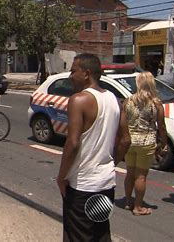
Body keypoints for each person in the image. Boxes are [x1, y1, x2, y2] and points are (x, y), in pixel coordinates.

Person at [57, 53, 130, 241]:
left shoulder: (78, 99)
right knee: (101, 233)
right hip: (106, 183)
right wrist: (112, 163)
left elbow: (72, 143)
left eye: (74, 71)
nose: (70, 75)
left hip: (82, 186)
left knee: (77, 236)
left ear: (86, 73)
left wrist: (61, 176)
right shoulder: (114, 99)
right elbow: (125, 140)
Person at [123, 72, 167, 216]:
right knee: (141, 176)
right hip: (146, 142)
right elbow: (161, 126)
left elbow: (122, 122)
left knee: (130, 173)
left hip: (130, 141)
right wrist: (164, 143)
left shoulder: (128, 100)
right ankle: (138, 207)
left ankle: (128, 201)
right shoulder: (156, 103)